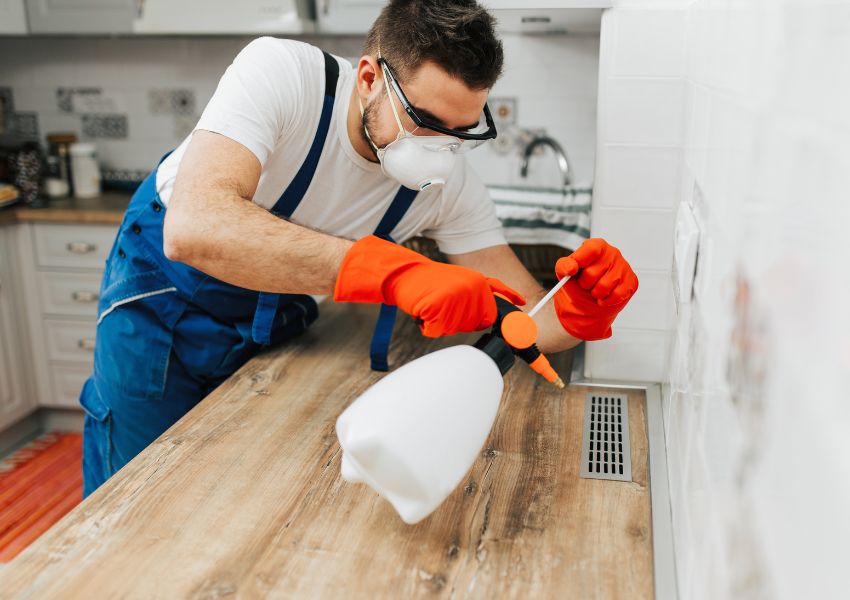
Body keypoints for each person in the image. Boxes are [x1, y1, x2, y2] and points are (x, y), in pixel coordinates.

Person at [79, 0, 638, 497]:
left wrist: (576, 309)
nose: (441, 152)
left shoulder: (449, 189)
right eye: (425, 122)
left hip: (274, 316)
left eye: (461, 132)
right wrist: (394, 273)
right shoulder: (284, 76)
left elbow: (528, 320)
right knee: (133, 495)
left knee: (228, 487)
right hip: (163, 302)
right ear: (370, 78)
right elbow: (195, 226)